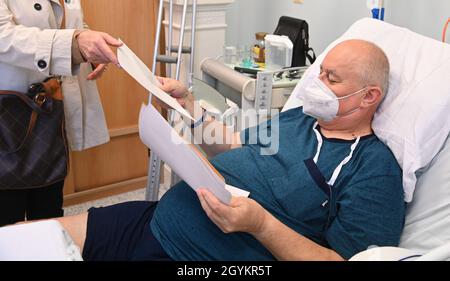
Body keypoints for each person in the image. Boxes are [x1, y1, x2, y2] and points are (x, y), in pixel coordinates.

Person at [22, 39, 406, 261]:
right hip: (155, 220)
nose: (314, 84)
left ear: (369, 96)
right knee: (20, 243)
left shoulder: (373, 169)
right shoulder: (301, 120)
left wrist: (261, 224)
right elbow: (238, 148)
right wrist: (186, 105)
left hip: (201, 259)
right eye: (319, 72)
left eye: (331, 78)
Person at [0, 0, 123, 226]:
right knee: (8, 213)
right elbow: (3, 36)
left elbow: (69, 22)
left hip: (48, 107)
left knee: (48, 204)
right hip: (8, 112)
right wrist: (73, 45)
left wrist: (88, 46)